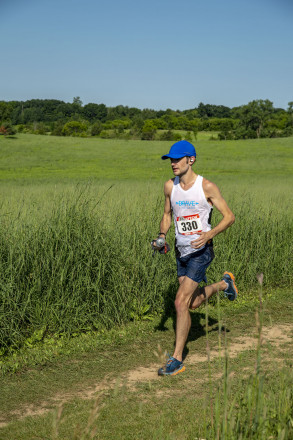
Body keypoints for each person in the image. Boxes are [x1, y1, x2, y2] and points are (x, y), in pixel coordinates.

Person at [154, 140, 238, 376]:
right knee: (193, 303)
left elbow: (229, 217)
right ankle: (224, 284)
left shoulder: (207, 187)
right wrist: (162, 236)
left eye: (177, 159)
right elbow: (167, 214)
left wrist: (208, 234)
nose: (173, 163)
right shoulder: (170, 187)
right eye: (170, 159)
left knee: (180, 302)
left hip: (201, 252)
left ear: (191, 160)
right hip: (181, 252)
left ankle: (177, 359)